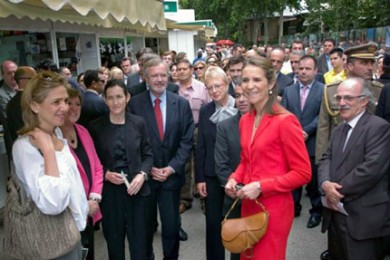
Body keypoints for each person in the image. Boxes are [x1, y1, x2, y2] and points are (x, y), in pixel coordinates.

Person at [225, 56, 311, 260]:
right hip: (249, 204)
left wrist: (262, 186)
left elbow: (303, 173)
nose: (249, 86)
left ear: (271, 83)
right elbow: (246, 160)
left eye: (257, 80)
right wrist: (234, 178)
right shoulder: (245, 120)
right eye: (245, 80)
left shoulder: (286, 121)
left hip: (274, 209)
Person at [12, 71, 88, 259]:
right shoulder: (25, 147)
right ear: (35, 106)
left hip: (73, 233)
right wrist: (48, 152)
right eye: (56, 102)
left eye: (65, 100)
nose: (65, 107)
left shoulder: (58, 134)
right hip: (52, 242)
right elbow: (53, 203)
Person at [129, 58, 194, 260]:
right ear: (145, 78)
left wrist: (172, 167)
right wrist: (146, 169)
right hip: (145, 179)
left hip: (171, 178)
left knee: (172, 228)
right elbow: (133, 142)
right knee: (146, 228)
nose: (159, 79)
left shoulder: (181, 104)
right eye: (154, 75)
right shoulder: (134, 104)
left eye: (163, 75)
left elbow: (186, 139)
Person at [318, 77, 390, 260]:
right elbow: (326, 158)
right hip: (335, 215)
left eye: (348, 98)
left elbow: (371, 169)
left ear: (364, 100)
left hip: (363, 218)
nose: (341, 103)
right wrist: (326, 184)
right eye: (339, 98)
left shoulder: (379, 128)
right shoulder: (338, 130)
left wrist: (336, 191)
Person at [89, 79, 153, 260]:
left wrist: (142, 175)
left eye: (119, 97)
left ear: (127, 97)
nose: (115, 102)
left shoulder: (138, 123)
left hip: (136, 189)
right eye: (110, 98)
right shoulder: (96, 126)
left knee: (139, 242)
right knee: (114, 241)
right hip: (110, 192)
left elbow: (148, 155)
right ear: (104, 100)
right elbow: (93, 161)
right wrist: (106, 173)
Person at [195, 66, 238, 260]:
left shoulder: (241, 106)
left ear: (228, 83)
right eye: (209, 87)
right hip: (212, 175)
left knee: (238, 222)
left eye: (218, 86)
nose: (214, 91)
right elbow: (201, 145)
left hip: (238, 174)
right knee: (213, 223)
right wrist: (200, 178)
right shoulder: (206, 111)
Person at [60, 88, 103, 260]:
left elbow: (97, 167)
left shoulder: (83, 131)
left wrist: (94, 197)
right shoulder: (53, 137)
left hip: (90, 210)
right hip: (68, 213)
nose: (74, 108)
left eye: (77, 104)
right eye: (68, 103)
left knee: (88, 253)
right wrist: (83, 204)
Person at [281, 55, 324, 226]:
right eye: (301, 68)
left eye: (307, 69)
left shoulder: (323, 90)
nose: (303, 72)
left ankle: (316, 211)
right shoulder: (289, 90)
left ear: (316, 71)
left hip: (312, 141)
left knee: (314, 181)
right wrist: (295, 132)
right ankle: (294, 208)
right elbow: (283, 114)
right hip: (292, 142)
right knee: (293, 178)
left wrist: (306, 131)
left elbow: (323, 116)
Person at [214, 81, 250, 260]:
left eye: (246, 94)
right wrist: (236, 188)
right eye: (237, 96)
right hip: (234, 198)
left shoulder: (269, 122)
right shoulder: (225, 126)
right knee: (237, 251)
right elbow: (221, 165)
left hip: (262, 196)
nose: (241, 99)